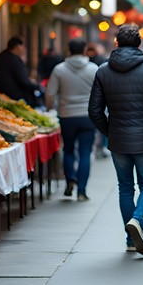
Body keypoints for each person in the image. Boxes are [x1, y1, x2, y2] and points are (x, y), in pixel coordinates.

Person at [88, 24, 143, 256]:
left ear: (116, 43)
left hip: (118, 139)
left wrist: (110, 131)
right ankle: (138, 220)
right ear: (138, 43)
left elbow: (95, 111)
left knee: (125, 187)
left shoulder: (103, 71)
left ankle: (130, 238)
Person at [45, 39, 98, 202]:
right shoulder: (93, 69)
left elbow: (50, 93)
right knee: (85, 153)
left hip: (66, 115)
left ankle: (70, 180)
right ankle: (82, 191)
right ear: (84, 50)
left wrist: (51, 109)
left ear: (68, 50)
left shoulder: (59, 69)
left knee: (68, 150)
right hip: (88, 116)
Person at [0, 37, 42, 106]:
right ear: (16, 47)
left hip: (3, 92)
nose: (24, 49)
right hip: (17, 96)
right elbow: (23, 80)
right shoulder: (15, 60)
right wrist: (36, 86)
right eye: (22, 46)